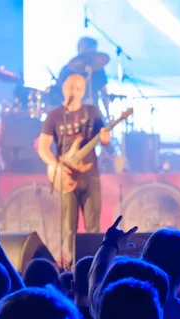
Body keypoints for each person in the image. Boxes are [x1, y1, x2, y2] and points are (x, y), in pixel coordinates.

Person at [37, 74, 110, 267]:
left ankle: (95, 266)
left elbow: (105, 140)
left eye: (78, 88)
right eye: (70, 87)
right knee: (69, 228)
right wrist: (56, 166)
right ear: (63, 88)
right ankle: (68, 267)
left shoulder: (92, 112)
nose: (74, 91)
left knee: (93, 226)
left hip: (90, 175)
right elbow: (43, 148)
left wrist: (104, 137)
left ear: (83, 90)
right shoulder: (54, 116)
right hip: (66, 177)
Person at [56, 37, 110, 117]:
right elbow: (58, 93)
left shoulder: (99, 70)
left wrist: (108, 114)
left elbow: (104, 93)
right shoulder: (67, 70)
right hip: (71, 113)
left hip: (93, 113)